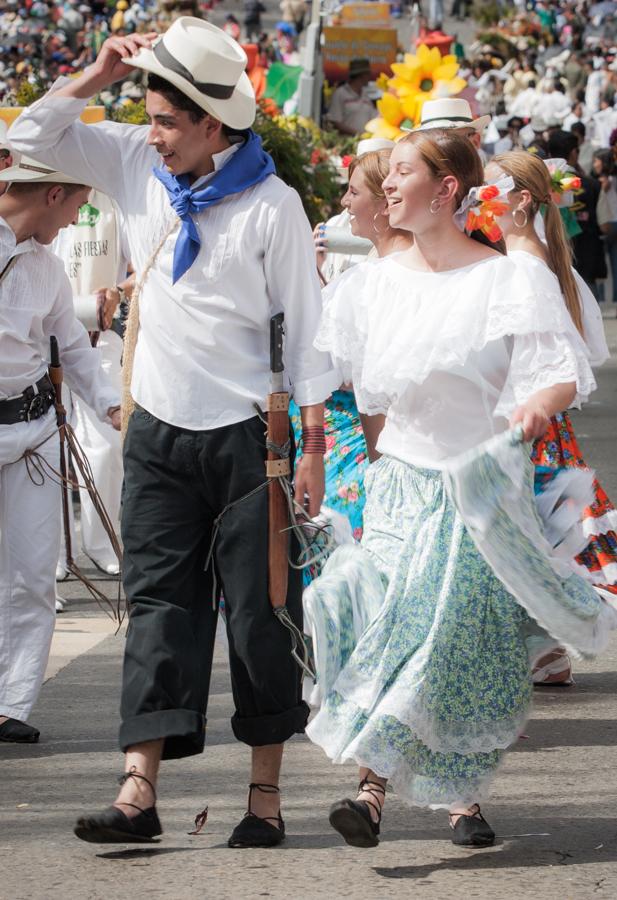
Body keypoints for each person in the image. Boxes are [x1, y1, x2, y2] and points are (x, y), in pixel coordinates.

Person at [9, 18, 337, 845]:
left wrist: (310, 453)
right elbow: (27, 135)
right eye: (148, 119)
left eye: (166, 122)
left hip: (247, 441)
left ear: (213, 124)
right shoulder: (132, 162)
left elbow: (304, 337)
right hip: (156, 426)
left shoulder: (273, 206)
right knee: (155, 605)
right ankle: (137, 794)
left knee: (263, 616)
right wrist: (91, 76)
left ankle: (263, 799)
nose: (152, 137)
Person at [303, 128, 610, 849]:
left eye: (401, 172)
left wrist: (535, 406)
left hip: (475, 493)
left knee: (452, 645)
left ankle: (448, 794)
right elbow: (346, 390)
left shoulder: (506, 277)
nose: (385, 185)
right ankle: (376, 794)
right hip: (398, 488)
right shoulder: (366, 286)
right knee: (392, 632)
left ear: (445, 190)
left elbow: (561, 371)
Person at [0, 156, 121, 744]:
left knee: (29, 575)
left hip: (32, 433)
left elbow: (72, 347)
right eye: (76, 206)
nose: (77, 221)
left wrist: (117, 407)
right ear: (52, 193)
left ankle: (11, 703)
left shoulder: (47, 268)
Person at [487, 149, 616, 684]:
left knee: (524, 543)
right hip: (538, 424)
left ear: (521, 200)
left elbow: (564, 366)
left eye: (489, 189)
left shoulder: (521, 267)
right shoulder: (541, 258)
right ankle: (543, 649)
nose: (478, 201)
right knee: (536, 542)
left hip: (526, 423)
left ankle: (536, 649)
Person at [295, 148, 412, 550]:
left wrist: (381, 476)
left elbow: (370, 396)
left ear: (384, 202)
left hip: (369, 447)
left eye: (352, 192)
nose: (344, 203)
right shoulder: (369, 278)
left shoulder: (369, 284)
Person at [52, 188, 129, 578]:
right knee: (48, 449)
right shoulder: (41, 196)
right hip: (45, 342)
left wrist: (119, 291)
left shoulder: (112, 202)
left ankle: (100, 540)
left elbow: (142, 269)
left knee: (104, 446)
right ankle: (56, 555)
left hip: (98, 336)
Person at [326, 59, 377, 137]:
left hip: (363, 143)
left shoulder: (366, 96)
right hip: (346, 143)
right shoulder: (340, 93)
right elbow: (335, 121)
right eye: (368, 74)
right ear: (361, 75)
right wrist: (357, 134)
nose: (370, 77)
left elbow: (373, 117)